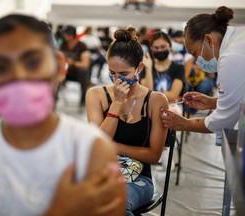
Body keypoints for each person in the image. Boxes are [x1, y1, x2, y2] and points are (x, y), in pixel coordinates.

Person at [0, 14, 126, 215]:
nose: (18, 77)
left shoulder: (89, 148)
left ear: (58, 67)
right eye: (1, 67)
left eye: (33, 63)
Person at [86, 26, 168, 216]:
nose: (116, 80)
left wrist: (113, 147)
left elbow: (154, 155)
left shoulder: (155, 100)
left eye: (123, 75)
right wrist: (116, 104)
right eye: (111, 73)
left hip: (138, 179)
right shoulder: (96, 95)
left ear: (139, 68)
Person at [160, 6, 245, 145]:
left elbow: (223, 120)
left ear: (209, 40)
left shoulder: (231, 57)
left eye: (195, 53)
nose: (197, 61)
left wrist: (184, 124)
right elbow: (239, 100)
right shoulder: (237, 39)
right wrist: (213, 102)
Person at [141, 31, 185, 104]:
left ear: (170, 46)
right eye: (156, 47)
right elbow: (146, 93)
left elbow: (173, 95)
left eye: (163, 47)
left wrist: (152, 94)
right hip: (150, 108)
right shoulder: (146, 66)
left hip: (171, 108)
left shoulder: (179, 68)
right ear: (151, 49)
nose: (159, 50)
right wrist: (148, 68)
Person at [60, 25, 91, 106]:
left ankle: (83, 97)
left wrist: (73, 63)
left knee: (83, 71)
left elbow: (85, 64)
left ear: (72, 35)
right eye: (65, 34)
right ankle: (52, 97)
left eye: (67, 34)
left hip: (77, 73)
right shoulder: (63, 44)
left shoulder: (82, 46)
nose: (65, 36)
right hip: (66, 71)